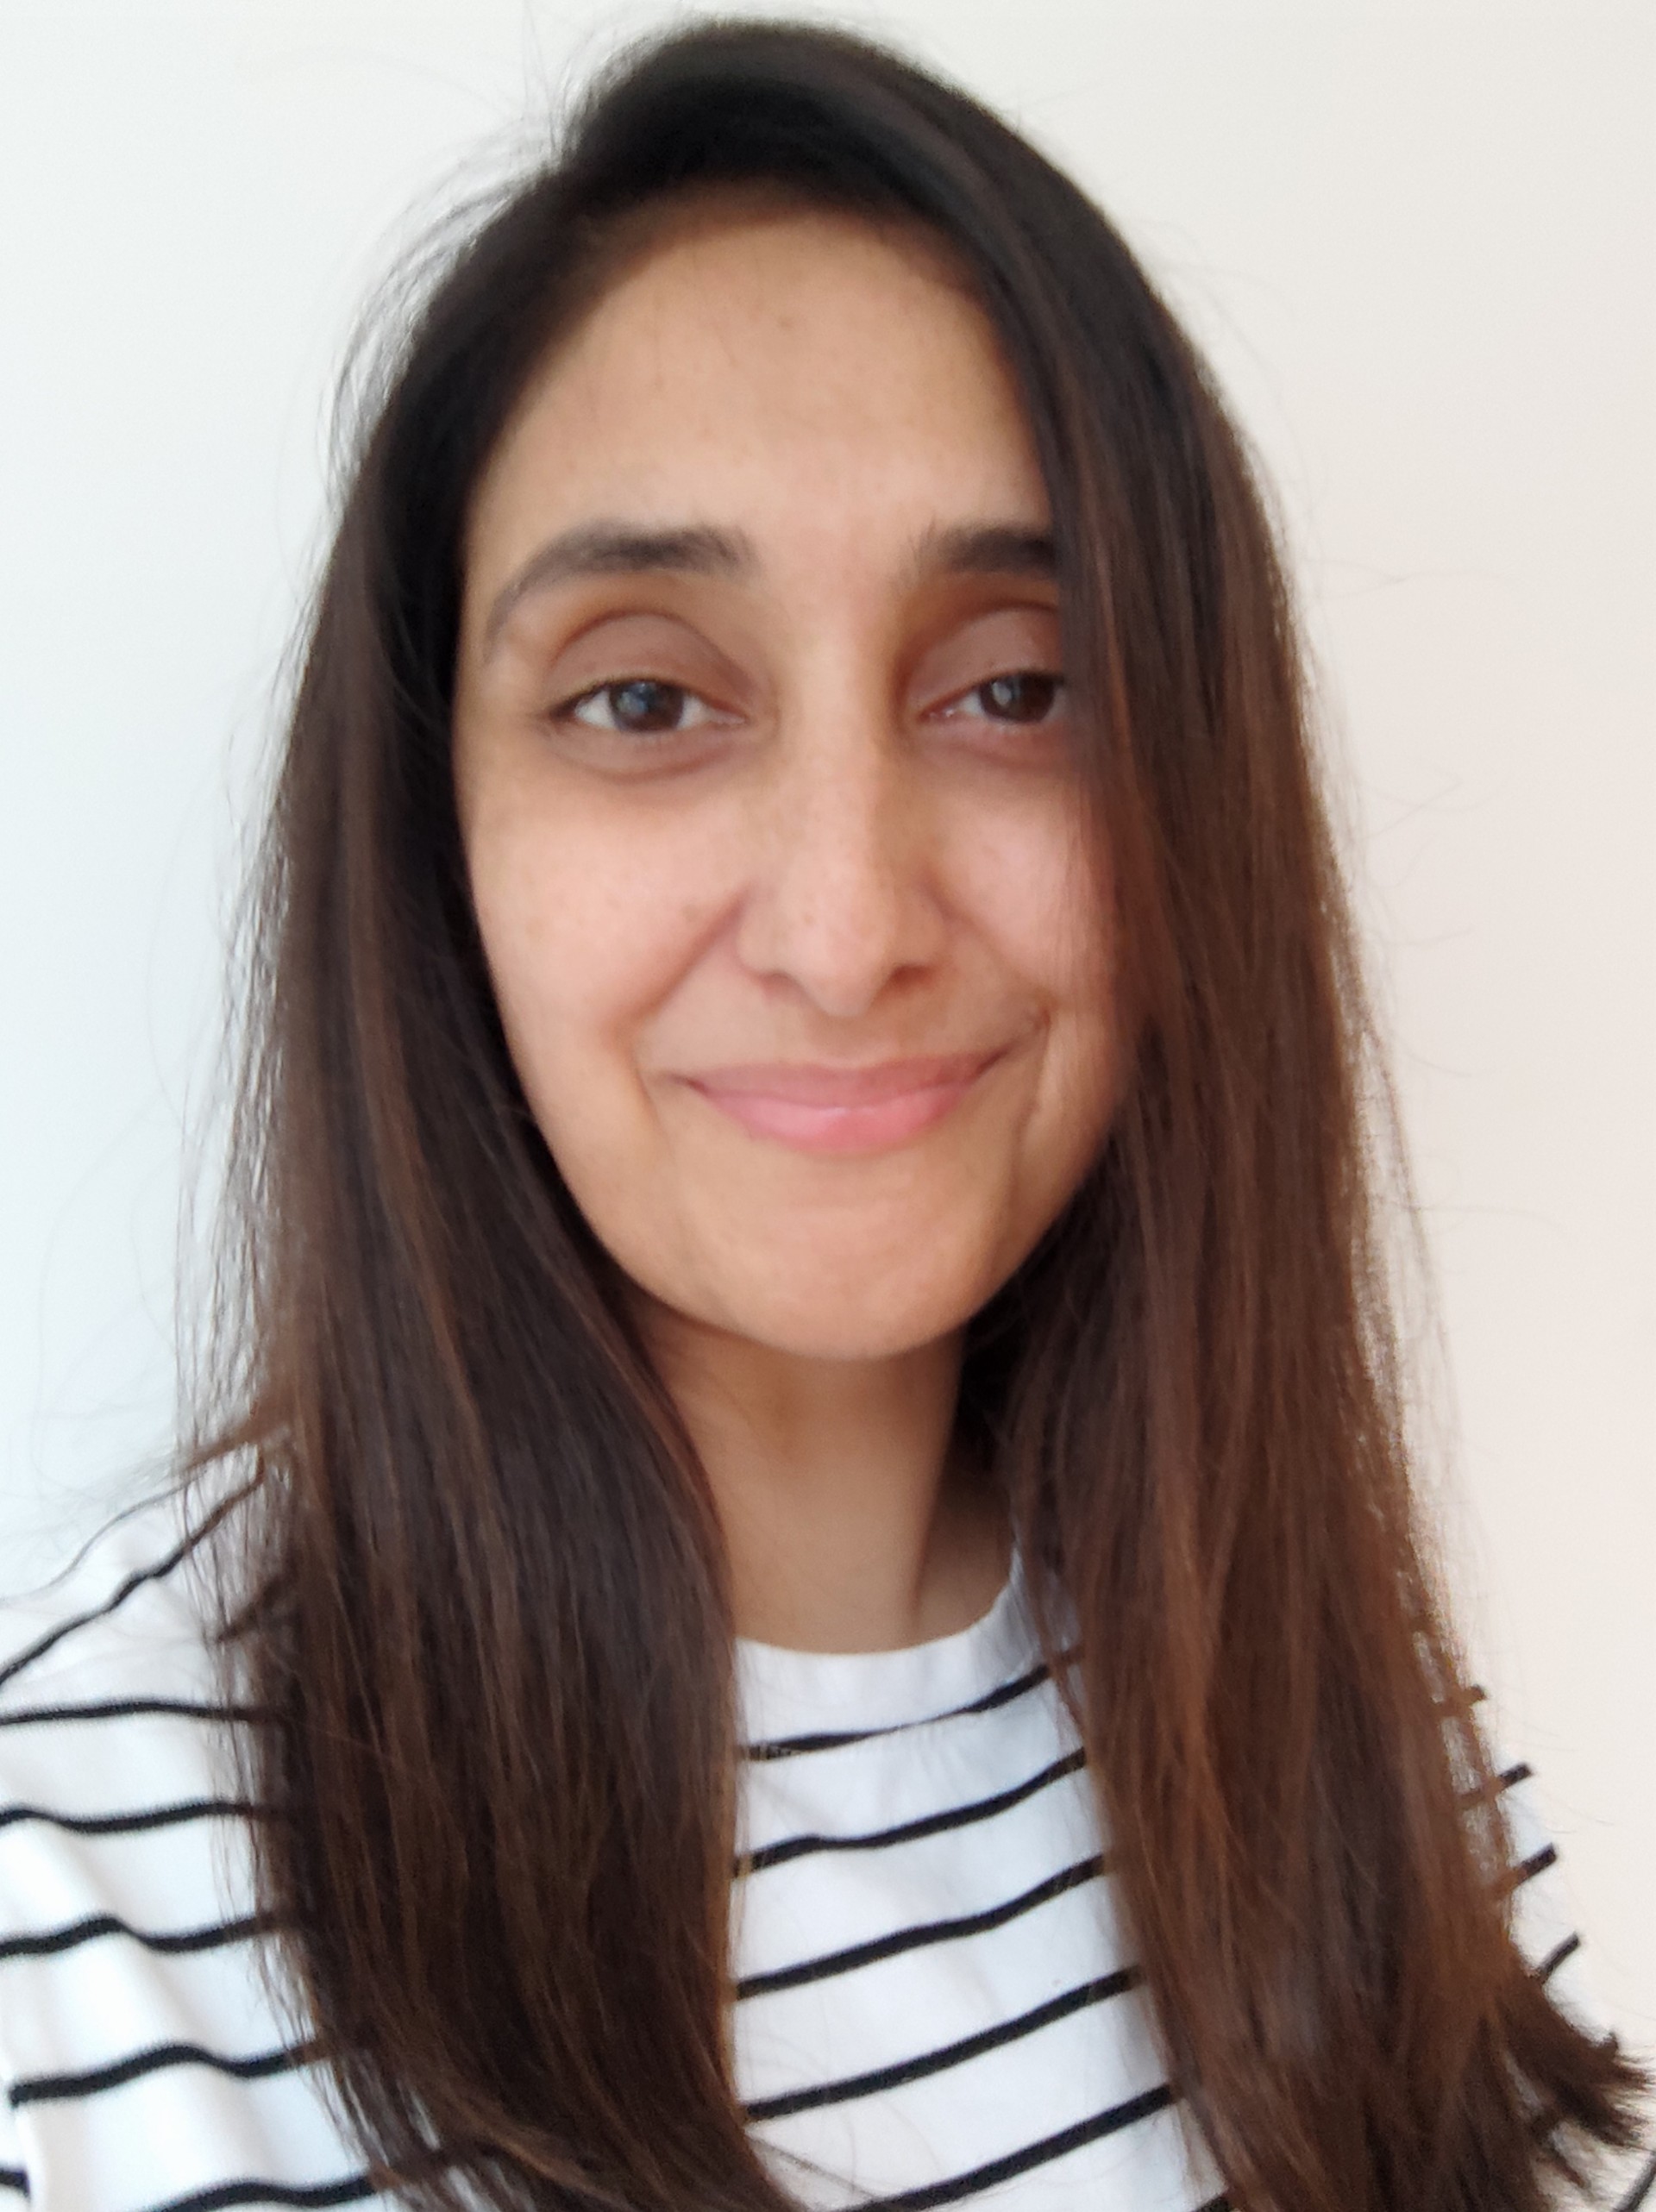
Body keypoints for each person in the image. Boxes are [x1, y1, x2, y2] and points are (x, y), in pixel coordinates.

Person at [0, 20, 1647, 2212]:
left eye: (1016, 687)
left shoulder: (1332, 1720)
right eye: (644, 696)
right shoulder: (71, 1919)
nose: (851, 926)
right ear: (437, 835)